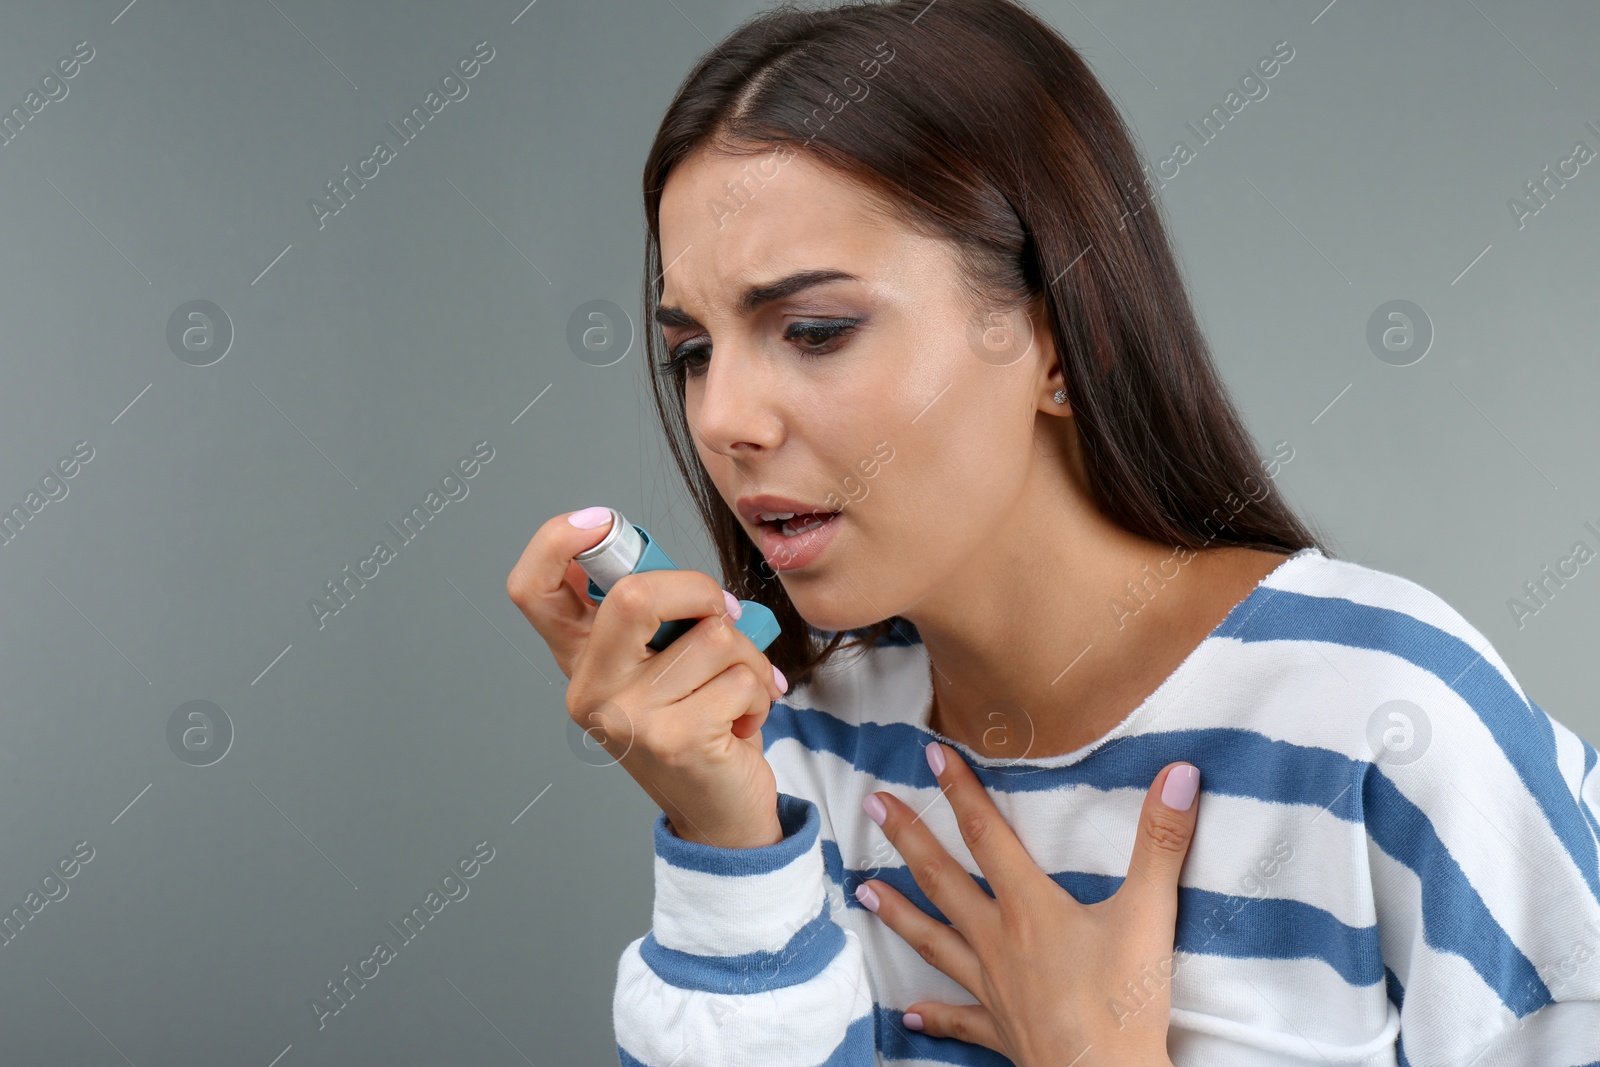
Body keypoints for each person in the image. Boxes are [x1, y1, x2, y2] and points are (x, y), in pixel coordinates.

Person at [505, 0, 1600, 1063]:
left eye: (815, 329)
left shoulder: (1385, 716)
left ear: (1056, 340)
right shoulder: (805, 749)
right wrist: (726, 839)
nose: (723, 420)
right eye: (692, 351)